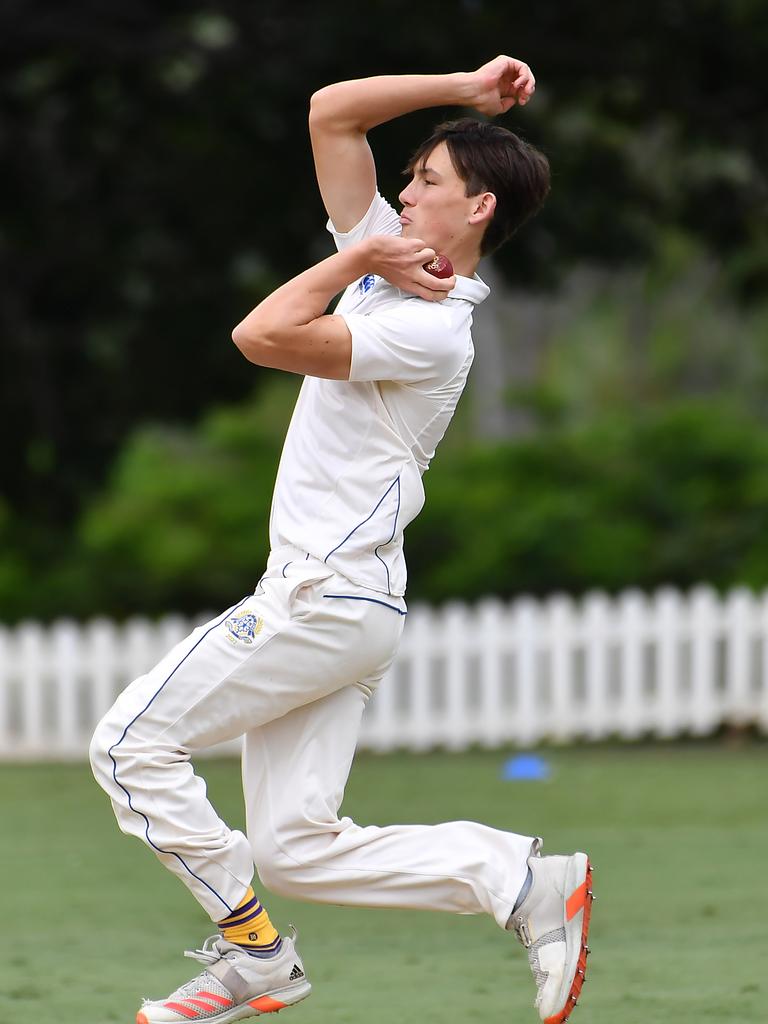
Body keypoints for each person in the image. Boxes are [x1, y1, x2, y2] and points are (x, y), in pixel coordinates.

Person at [89, 54, 593, 1024]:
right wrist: (466, 91)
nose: (403, 194)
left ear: (478, 210)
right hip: (349, 603)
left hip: (320, 600)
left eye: (428, 182)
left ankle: (256, 961)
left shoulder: (430, 325)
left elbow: (262, 335)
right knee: (294, 849)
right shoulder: (387, 262)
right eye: (406, 179)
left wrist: (358, 258)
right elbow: (329, 114)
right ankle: (519, 879)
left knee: (127, 746)